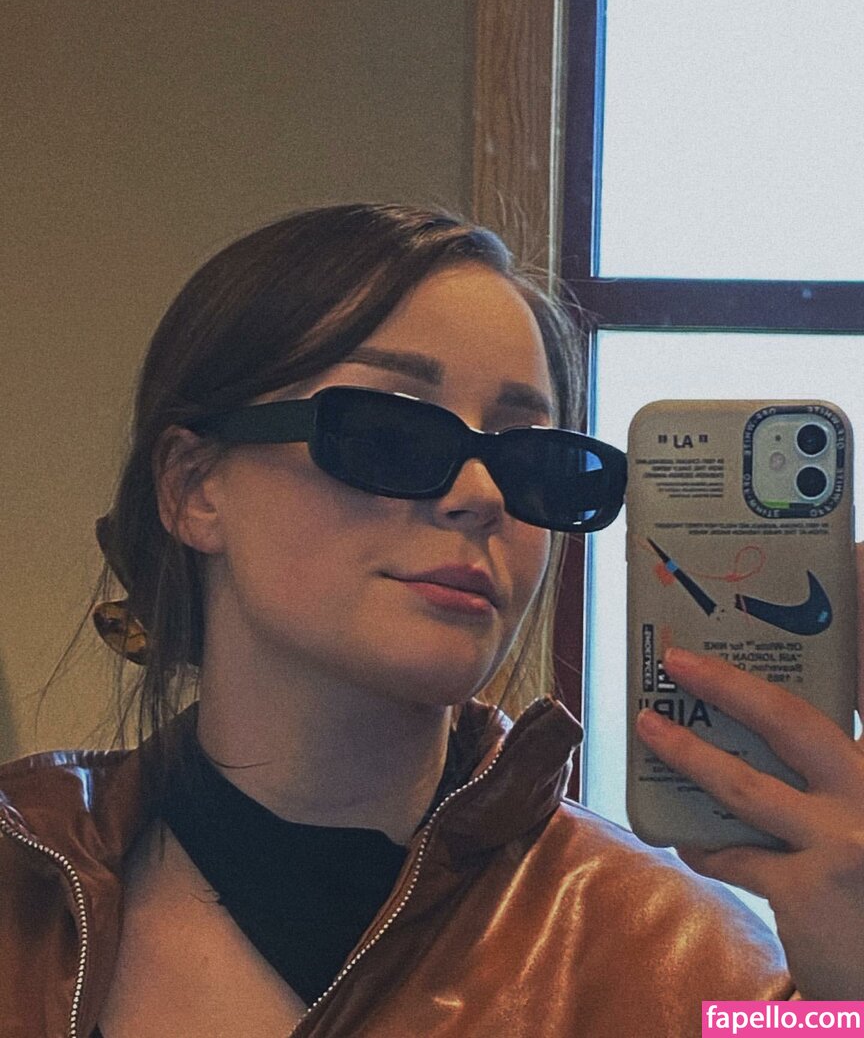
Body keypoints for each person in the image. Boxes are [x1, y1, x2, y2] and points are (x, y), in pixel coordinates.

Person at [0, 204, 861, 1038]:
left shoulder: (698, 967)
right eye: (392, 432)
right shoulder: (20, 901)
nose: (482, 495)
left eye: (532, 460)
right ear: (194, 488)